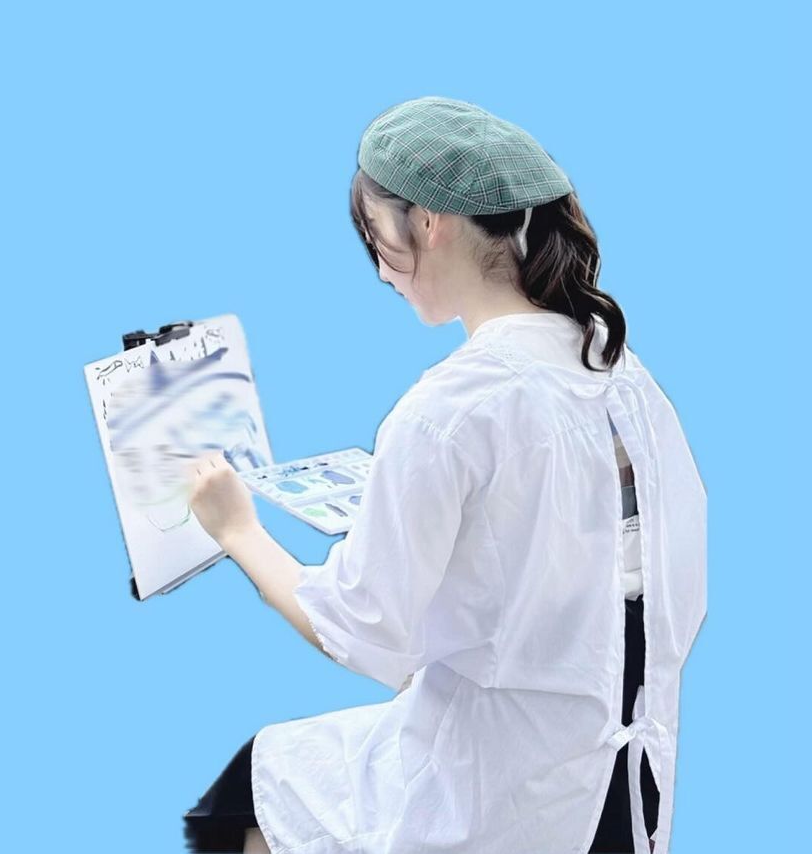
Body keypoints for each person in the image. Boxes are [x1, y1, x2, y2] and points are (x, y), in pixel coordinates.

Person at [181, 96, 706, 854]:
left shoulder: (449, 410)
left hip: (496, 801)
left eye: (375, 236)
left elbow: (362, 631)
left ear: (427, 222)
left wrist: (237, 529)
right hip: (624, 792)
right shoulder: (623, 375)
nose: (380, 270)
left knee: (240, 794)